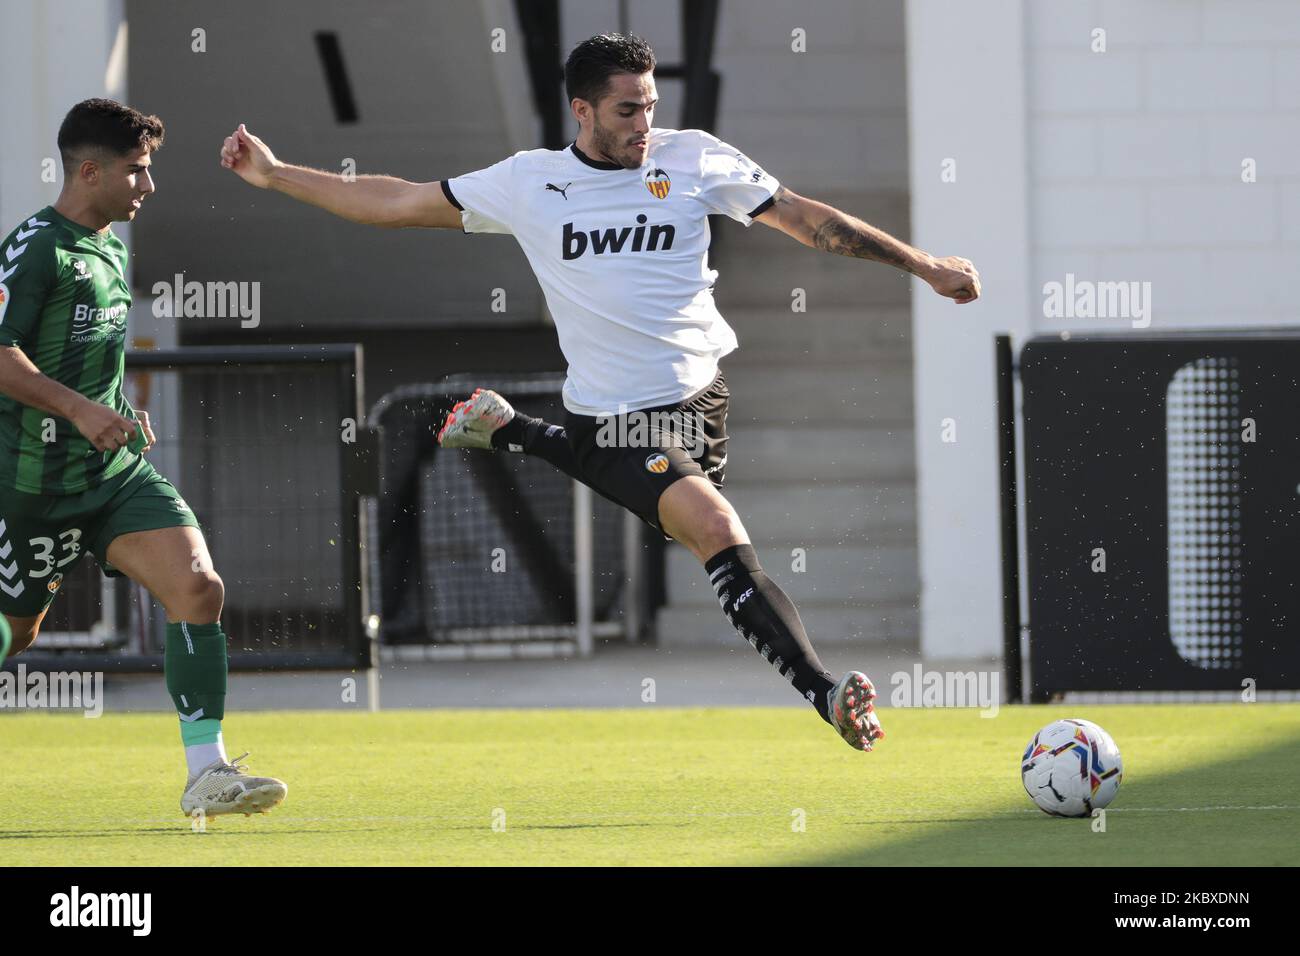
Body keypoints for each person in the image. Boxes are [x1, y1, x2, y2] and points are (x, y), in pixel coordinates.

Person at [219, 33, 980, 751]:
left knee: (687, 523)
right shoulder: (528, 182)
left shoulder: (695, 159)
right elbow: (395, 202)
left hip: (702, 399)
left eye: (650, 104)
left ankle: (515, 429)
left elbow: (809, 221)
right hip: (615, 413)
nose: (644, 122)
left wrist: (923, 265)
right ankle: (826, 693)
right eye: (627, 109)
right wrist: (277, 174)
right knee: (714, 526)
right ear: (581, 110)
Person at [0, 98, 286, 815]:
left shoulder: (111, 247)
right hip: (33, 485)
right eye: (138, 171)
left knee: (198, 587)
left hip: (113, 477)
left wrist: (118, 409)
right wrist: (78, 409)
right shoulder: (35, 247)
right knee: (16, 631)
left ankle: (208, 774)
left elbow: (88, 355)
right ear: (90, 171)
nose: (148, 187)